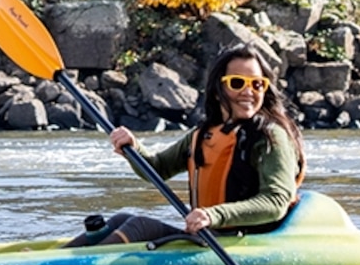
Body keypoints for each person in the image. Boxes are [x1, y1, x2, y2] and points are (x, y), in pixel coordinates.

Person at [69, 47, 303, 247]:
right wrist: (134, 148)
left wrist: (213, 215)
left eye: (258, 84)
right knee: (120, 219)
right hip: (209, 238)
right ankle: (52, 260)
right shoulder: (204, 135)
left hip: (246, 243)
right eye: (238, 83)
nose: (249, 92)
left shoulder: (271, 136)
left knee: (141, 226)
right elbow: (157, 169)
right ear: (217, 89)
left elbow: (276, 202)